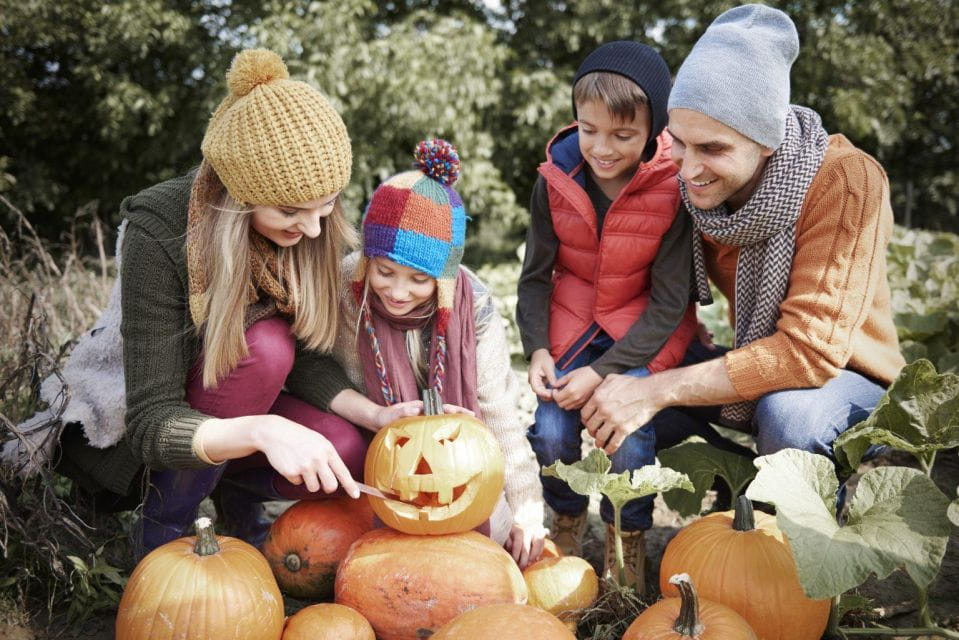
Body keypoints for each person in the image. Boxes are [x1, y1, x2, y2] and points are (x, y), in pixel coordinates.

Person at [21, 48, 423, 558]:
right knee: (266, 348)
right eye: (293, 211)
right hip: (164, 413)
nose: (315, 228)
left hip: (245, 395)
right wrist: (263, 430)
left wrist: (373, 414)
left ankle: (234, 498)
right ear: (242, 197)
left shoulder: (309, 225)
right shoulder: (162, 230)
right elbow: (152, 420)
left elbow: (303, 357)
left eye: (327, 206)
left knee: (345, 447)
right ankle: (163, 531)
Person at [581, 5, 905, 481]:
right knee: (614, 381)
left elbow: (808, 353)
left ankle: (793, 537)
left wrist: (659, 390)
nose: (689, 170)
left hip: (846, 378)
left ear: (766, 140)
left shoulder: (846, 180)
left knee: (790, 418)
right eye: (680, 143)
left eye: (713, 149)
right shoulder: (695, 187)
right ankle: (662, 510)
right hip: (754, 358)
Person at [516, 41, 698, 589]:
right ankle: (567, 520)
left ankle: (629, 533)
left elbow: (670, 302)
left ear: (652, 130)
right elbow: (533, 279)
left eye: (622, 136)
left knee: (630, 434)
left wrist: (603, 372)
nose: (601, 147)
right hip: (572, 327)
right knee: (550, 431)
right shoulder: (554, 180)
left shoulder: (673, 189)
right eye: (588, 129)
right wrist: (539, 349)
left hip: (642, 331)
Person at [333, 139, 547, 568]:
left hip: (451, 450)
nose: (397, 292)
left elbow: (498, 412)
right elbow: (313, 368)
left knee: (497, 531)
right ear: (367, 261)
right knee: (359, 544)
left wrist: (527, 502)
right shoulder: (344, 289)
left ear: (443, 280)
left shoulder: (476, 307)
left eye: (418, 279)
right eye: (385, 272)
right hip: (367, 433)